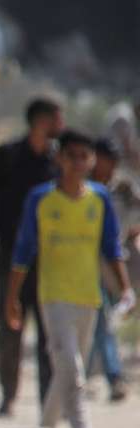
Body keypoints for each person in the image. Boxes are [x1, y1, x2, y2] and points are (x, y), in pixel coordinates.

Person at [6, 130, 134, 428]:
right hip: (53, 298)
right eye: (72, 156)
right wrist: (12, 297)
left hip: (88, 299)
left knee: (65, 376)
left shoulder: (99, 199)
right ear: (59, 158)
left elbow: (111, 248)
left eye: (84, 157)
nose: (78, 163)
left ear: (91, 161)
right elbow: (23, 251)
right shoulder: (42, 200)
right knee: (73, 374)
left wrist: (125, 289)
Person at [0, 98, 64, 416]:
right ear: (41, 121)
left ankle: (48, 400)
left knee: (50, 331)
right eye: (56, 118)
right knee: (9, 328)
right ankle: (8, 395)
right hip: (11, 253)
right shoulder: (8, 156)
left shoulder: (56, 160)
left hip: (48, 257)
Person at [88, 137, 140, 401]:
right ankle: (112, 375)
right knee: (100, 320)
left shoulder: (121, 188)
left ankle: (96, 374)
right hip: (87, 263)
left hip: (115, 263)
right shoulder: (83, 187)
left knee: (103, 321)